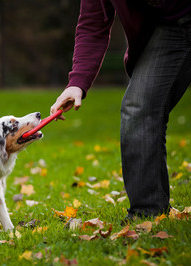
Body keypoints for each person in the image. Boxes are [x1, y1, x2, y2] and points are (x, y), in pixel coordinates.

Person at [50, 0, 191, 220]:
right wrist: (77, 83)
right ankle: (149, 213)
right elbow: (93, 24)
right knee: (139, 108)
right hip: (168, 29)